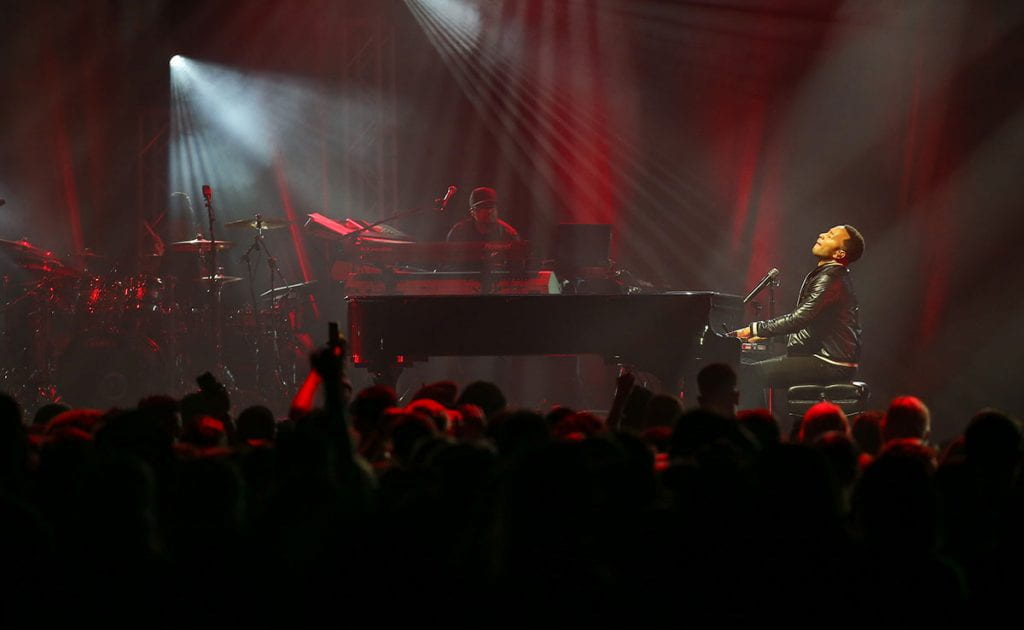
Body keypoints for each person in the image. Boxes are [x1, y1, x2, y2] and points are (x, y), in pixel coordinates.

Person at [733, 224, 864, 401]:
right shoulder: (830, 275)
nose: (822, 234)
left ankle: (755, 425)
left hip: (829, 363)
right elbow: (813, 329)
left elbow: (800, 318)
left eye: (831, 235)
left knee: (749, 375)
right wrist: (769, 336)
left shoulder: (830, 278)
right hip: (830, 359)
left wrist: (756, 329)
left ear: (839, 254)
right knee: (747, 367)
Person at [445, 187, 520, 242]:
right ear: (472, 212)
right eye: (483, 207)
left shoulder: (508, 234)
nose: (490, 211)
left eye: (492, 206)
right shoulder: (459, 233)